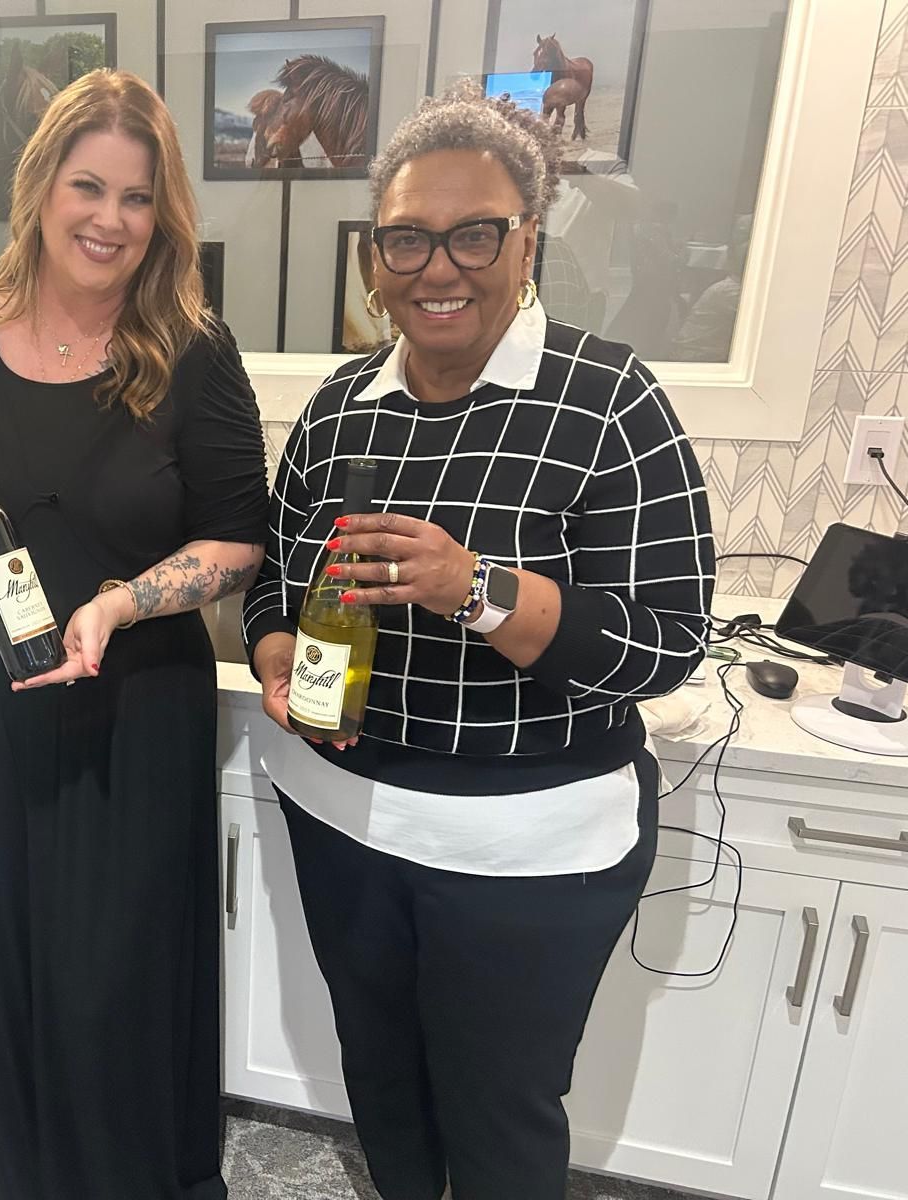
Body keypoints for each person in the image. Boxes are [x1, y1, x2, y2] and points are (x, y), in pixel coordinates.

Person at [243, 80, 715, 1200]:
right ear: (376, 258)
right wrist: (276, 656)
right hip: (345, 820)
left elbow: (666, 643)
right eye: (406, 239)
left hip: (527, 853)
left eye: (473, 234)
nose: (436, 267)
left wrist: (476, 589)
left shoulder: (608, 400)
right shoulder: (340, 406)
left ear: (527, 240)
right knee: (383, 1084)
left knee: (500, 1115)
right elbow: (273, 581)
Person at [0, 68, 267, 1200]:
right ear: (40, 186)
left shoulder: (192, 351)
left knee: (120, 973)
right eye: (88, 186)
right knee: (8, 950)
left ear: (162, 214)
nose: (109, 219)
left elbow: (240, 539)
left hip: (136, 706)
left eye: (138, 198)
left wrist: (119, 602)